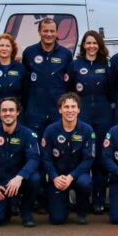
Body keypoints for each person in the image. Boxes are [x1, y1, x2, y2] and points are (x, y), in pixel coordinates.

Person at [66, 30, 113, 214]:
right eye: (88, 43)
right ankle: (82, 200)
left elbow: (112, 91)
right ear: (83, 45)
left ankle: (99, 200)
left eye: (95, 43)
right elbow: (69, 90)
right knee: (81, 155)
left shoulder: (106, 65)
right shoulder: (75, 65)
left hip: (103, 115)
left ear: (99, 45)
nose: (91, 46)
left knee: (100, 157)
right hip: (82, 115)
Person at [0, 97, 41, 227]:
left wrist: (20, 177)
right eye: (4, 110)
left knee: (35, 178)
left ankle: (26, 211)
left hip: (21, 182)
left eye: (11, 110)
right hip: (0, 184)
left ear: (17, 112)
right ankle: (7, 206)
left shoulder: (28, 134)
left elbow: (34, 159)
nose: (7, 113)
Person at [41, 93, 95, 225]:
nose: (70, 110)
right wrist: (54, 177)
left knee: (85, 183)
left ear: (78, 109)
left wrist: (71, 176)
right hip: (58, 177)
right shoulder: (50, 130)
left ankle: (82, 211)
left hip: (78, 175)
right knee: (57, 219)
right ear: (60, 110)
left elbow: (89, 159)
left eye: (73, 107)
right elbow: (46, 158)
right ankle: (63, 205)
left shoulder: (87, 130)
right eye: (66, 107)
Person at [22, 17, 73, 135]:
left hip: (57, 110)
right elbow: (24, 82)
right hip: (34, 111)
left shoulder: (66, 54)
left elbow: (69, 84)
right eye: (45, 31)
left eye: (52, 31)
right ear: (39, 32)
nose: (49, 34)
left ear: (57, 32)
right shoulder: (29, 52)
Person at [0, 33, 27, 128]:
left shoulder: (21, 69)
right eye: (1, 45)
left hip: (16, 116)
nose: (4, 48)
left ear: (12, 49)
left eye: (7, 46)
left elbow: (26, 94)